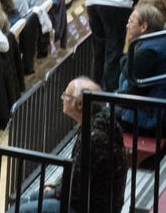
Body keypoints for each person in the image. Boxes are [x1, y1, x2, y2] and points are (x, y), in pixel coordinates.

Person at [15, 78, 126, 213]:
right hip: (94, 202)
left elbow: (75, 191)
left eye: (66, 95)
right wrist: (56, 187)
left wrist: (54, 191)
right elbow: (77, 172)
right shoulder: (101, 123)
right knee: (35, 196)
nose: (62, 97)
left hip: (91, 207)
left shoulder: (93, 137)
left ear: (79, 105)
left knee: (22, 210)